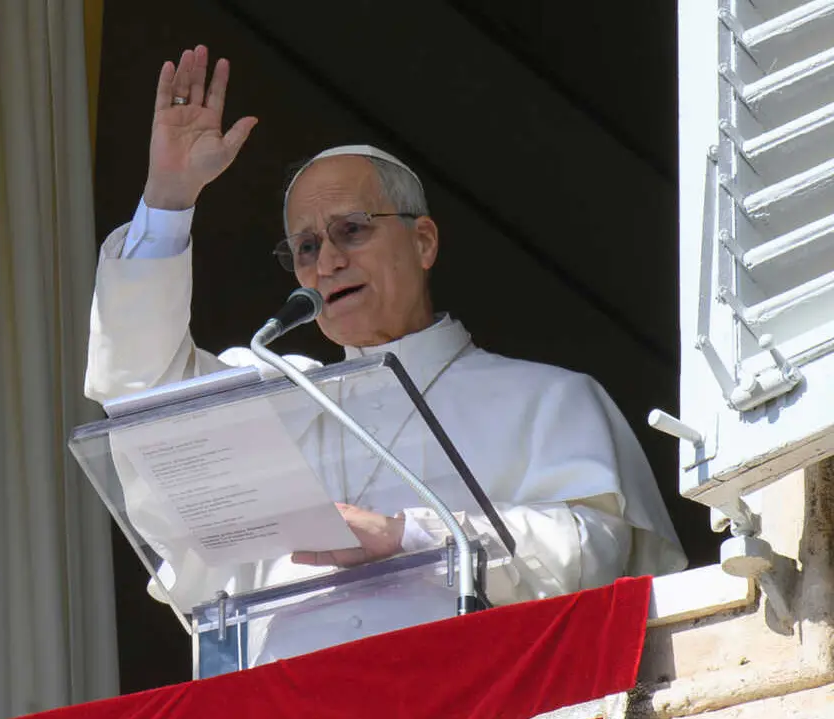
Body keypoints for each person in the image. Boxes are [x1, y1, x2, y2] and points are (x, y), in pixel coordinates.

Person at [85, 45, 686, 665]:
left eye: (352, 230)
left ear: (423, 240)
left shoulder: (549, 398)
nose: (328, 262)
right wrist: (168, 200)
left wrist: (410, 536)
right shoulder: (274, 397)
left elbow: (593, 555)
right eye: (306, 247)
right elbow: (141, 396)